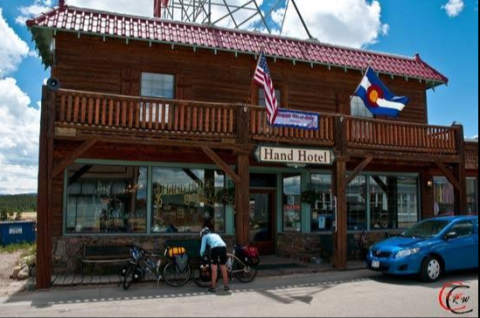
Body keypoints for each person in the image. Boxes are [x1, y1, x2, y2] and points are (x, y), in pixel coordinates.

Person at [199, 227, 230, 293]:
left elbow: (202, 250)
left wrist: (201, 256)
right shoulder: (215, 234)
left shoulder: (204, 237)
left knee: (214, 268)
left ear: (202, 234)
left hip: (215, 248)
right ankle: (226, 286)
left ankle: (213, 288)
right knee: (223, 267)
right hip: (223, 247)